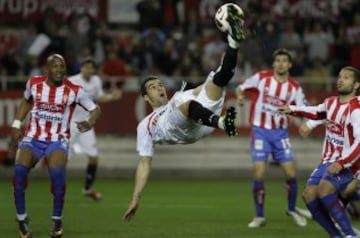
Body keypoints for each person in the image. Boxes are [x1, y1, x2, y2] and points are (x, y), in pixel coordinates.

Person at [122, 4, 244, 223]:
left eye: (159, 84)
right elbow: (144, 162)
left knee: (220, 77)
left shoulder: (178, 95)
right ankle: (224, 123)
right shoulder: (146, 124)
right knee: (187, 104)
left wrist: (215, 77)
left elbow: (202, 88)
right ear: (145, 98)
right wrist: (136, 197)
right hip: (178, 128)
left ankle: (233, 40)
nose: (159, 88)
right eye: (152, 87)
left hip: (199, 119)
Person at [10, 54, 101, 238]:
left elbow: (95, 109)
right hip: (33, 137)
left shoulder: (75, 90)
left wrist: (90, 122)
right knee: (19, 173)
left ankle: (57, 219)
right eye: (55, 66)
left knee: (57, 174)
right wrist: (16, 124)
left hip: (57, 139)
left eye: (62, 66)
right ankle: (22, 219)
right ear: (47, 68)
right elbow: (26, 101)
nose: (60, 70)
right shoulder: (34, 83)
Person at [278, 66, 360, 237]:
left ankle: (350, 235)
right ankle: (336, 235)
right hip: (328, 160)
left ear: (356, 84)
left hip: (348, 163)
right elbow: (316, 112)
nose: (340, 80)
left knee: (324, 190)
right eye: (339, 76)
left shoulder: (356, 109)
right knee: (309, 195)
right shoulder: (331, 102)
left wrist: (342, 162)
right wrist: (292, 109)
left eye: (346, 77)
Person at [235, 48, 308, 228]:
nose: (281, 63)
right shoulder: (261, 78)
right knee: (259, 172)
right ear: (274, 63)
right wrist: (240, 97)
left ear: (290, 65)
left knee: (291, 173)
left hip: (280, 133)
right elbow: (240, 87)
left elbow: (304, 109)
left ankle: (291, 209)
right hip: (260, 131)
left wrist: (305, 122)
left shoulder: (295, 88)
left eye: (284, 60)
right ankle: (260, 217)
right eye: (278, 60)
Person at [68, 57, 122, 201]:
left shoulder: (96, 81)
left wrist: (112, 97)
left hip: (87, 124)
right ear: (81, 68)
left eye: (91, 67)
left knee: (93, 158)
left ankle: (87, 188)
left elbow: (99, 98)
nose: (88, 69)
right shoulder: (72, 81)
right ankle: (57, 188)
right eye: (86, 66)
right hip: (70, 123)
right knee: (61, 157)